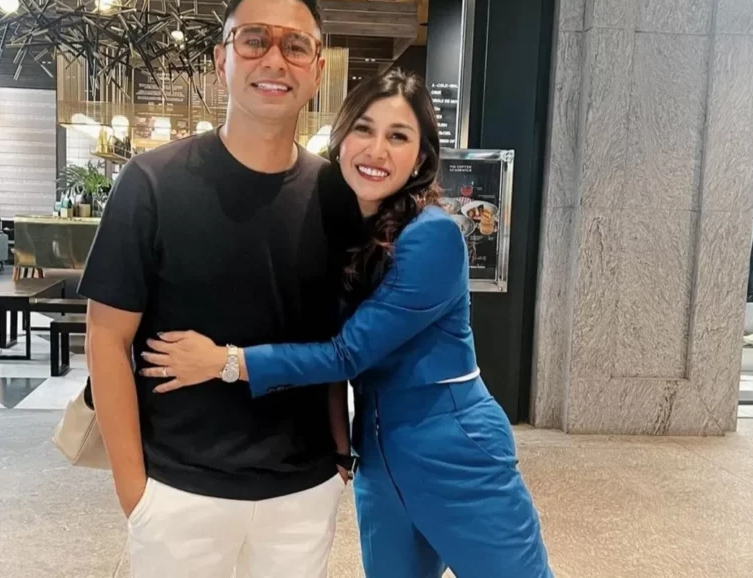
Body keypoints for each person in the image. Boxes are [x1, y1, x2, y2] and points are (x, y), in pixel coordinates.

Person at [138, 70, 554, 578]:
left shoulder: (432, 236)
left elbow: (346, 353)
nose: (376, 150)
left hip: (452, 447)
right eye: (364, 129)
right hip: (377, 453)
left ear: (421, 157)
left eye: (397, 136)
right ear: (341, 137)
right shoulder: (350, 228)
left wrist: (225, 362)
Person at [78, 0, 359, 578]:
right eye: (254, 39)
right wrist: (136, 493)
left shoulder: (337, 195)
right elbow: (106, 337)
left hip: (302, 491)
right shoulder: (151, 182)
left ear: (317, 69)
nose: (274, 60)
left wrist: (340, 456)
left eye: (296, 45)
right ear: (221, 59)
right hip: (178, 489)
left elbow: (340, 340)